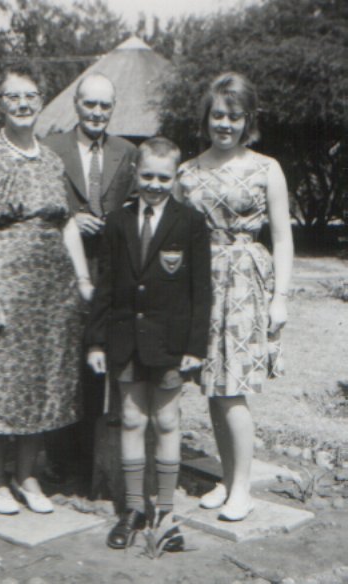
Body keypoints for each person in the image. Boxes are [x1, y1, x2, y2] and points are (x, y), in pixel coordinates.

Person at [0, 66, 93, 515]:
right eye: (12, 96)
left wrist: (82, 280)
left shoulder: (51, 160)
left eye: (30, 95)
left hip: (52, 292)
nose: (22, 104)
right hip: (4, 284)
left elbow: (67, 225)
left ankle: (27, 475)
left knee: (42, 381)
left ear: (41, 101)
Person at [178, 72, 294, 521]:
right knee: (213, 387)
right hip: (202, 282)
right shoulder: (188, 173)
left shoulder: (267, 169)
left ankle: (242, 489)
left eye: (234, 116)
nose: (225, 124)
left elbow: (282, 239)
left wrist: (280, 299)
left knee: (234, 390)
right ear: (206, 118)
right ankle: (228, 479)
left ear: (248, 121)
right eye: (218, 115)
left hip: (246, 284)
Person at [86, 137, 212, 548]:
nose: (155, 185)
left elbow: (201, 291)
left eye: (164, 177)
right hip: (125, 341)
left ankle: (167, 513)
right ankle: (134, 509)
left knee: (168, 421)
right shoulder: (117, 222)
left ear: (175, 177)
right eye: (147, 176)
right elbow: (105, 287)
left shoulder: (190, 222)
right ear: (134, 174)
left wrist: (195, 347)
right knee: (132, 420)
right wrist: (96, 343)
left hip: (170, 345)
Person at [43, 73, 137, 484]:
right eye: (90, 104)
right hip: (61, 269)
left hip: (110, 271)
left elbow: (136, 205)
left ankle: (95, 460)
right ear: (76, 105)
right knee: (61, 359)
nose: (97, 113)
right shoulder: (51, 148)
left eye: (105, 106)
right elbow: (39, 206)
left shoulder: (126, 152)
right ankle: (57, 457)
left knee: (99, 359)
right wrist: (70, 219)